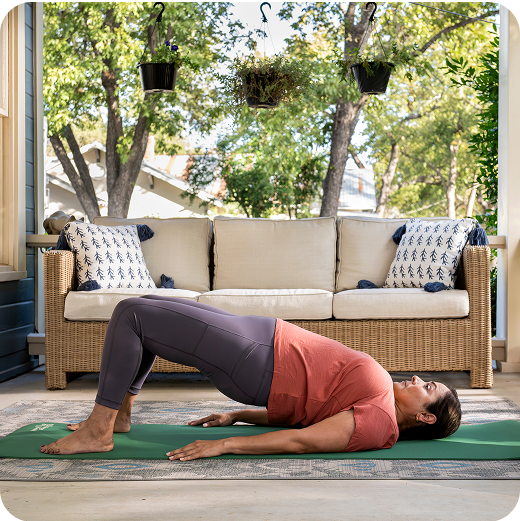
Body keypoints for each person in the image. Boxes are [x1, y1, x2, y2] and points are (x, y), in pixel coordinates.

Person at [40, 296, 462, 460]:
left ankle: (100, 428)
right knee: (146, 309)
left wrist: (224, 446)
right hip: (260, 341)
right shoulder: (379, 405)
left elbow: (303, 440)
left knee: (131, 315)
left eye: (428, 389)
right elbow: (307, 417)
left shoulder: (379, 423)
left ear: (425, 418)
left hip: (256, 358)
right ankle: (122, 414)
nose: (418, 378)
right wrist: (239, 415)